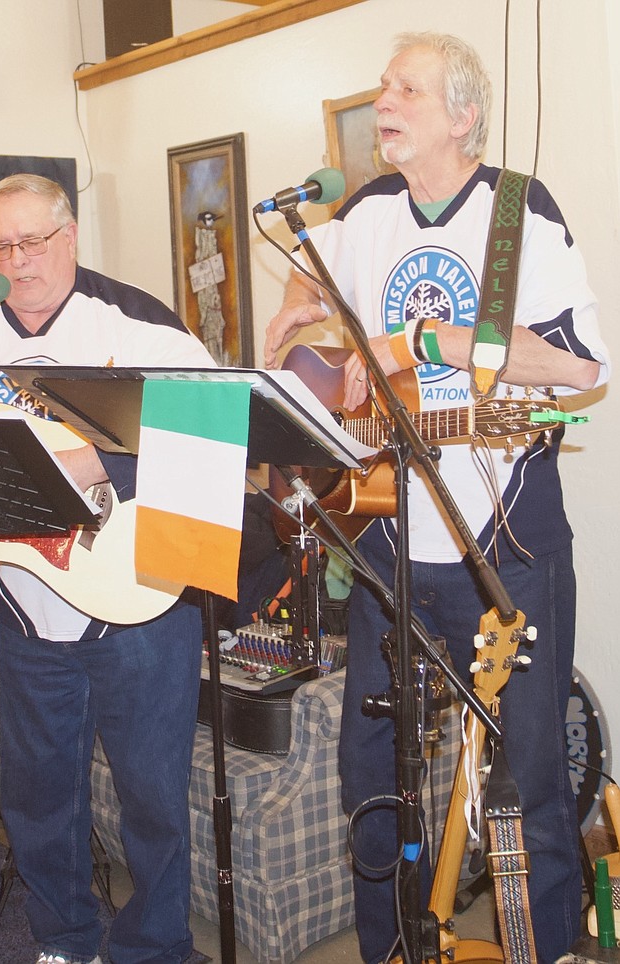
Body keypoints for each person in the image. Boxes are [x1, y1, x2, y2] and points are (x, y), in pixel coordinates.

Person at [262, 33, 609, 963]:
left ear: (462, 115)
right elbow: (323, 277)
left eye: (405, 87)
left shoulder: (516, 213)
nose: (385, 97)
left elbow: (580, 367)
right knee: (369, 771)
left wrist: (425, 342)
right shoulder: (370, 208)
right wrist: (300, 313)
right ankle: (391, 952)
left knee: (528, 773)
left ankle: (550, 952)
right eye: (382, 84)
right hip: (387, 542)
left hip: (506, 540)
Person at [0, 173, 216, 964]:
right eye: (1, 248)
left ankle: (154, 949)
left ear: (70, 237)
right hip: (28, 608)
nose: (18, 261)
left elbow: (212, 431)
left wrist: (88, 463)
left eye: (32, 242)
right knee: (39, 799)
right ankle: (65, 942)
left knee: (152, 802)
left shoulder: (141, 326)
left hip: (139, 603)